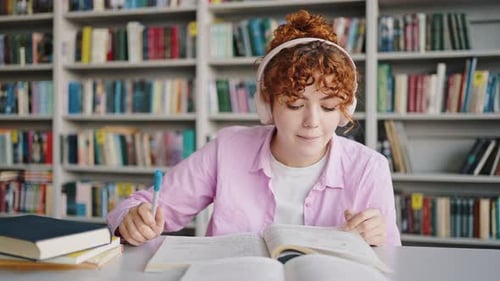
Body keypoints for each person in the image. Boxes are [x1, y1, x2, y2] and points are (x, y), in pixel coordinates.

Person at [106, 10, 401, 247]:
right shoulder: (229, 148)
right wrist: (130, 219)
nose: (312, 121)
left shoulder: (369, 168)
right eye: (295, 105)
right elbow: (142, 204)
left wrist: (378, 240)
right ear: (267, 105)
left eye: (327, 107)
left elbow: (391, 259)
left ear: (345, 109)